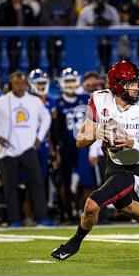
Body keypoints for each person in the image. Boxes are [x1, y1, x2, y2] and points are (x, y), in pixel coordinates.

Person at [51, 60, 139, 261]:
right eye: (130, 83)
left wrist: (130, 142)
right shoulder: (99, 100)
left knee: (91, 205)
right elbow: (80, 141)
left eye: (136, 83)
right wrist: (97, 133)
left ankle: (74, 243)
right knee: (126, 206)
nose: (136, 88)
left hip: (135, 166)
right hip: (114, 163)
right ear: (116, 85)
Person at [0, 71, 53, 227]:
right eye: (16, 83)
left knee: (37, 183)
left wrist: (39, 137)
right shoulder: (2, 101)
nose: (20, 86)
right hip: (8, 150)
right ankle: (14, 220)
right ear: (11, 84)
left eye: (22, 83)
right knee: (10, 186)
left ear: (27, 84)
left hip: (28, 148)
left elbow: (46, 118)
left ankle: (42, 218)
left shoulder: (35, 101)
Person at [53, 68, 92, 223]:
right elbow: (54, 129)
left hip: (83, 145)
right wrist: (55, 148)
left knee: (86, 180)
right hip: (65, 146)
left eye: (72, 80)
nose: (70, 84)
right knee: (65, 181)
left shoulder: (85, 99)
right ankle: (67, 213)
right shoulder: (57, 102)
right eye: (67, 81)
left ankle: (84, 210)